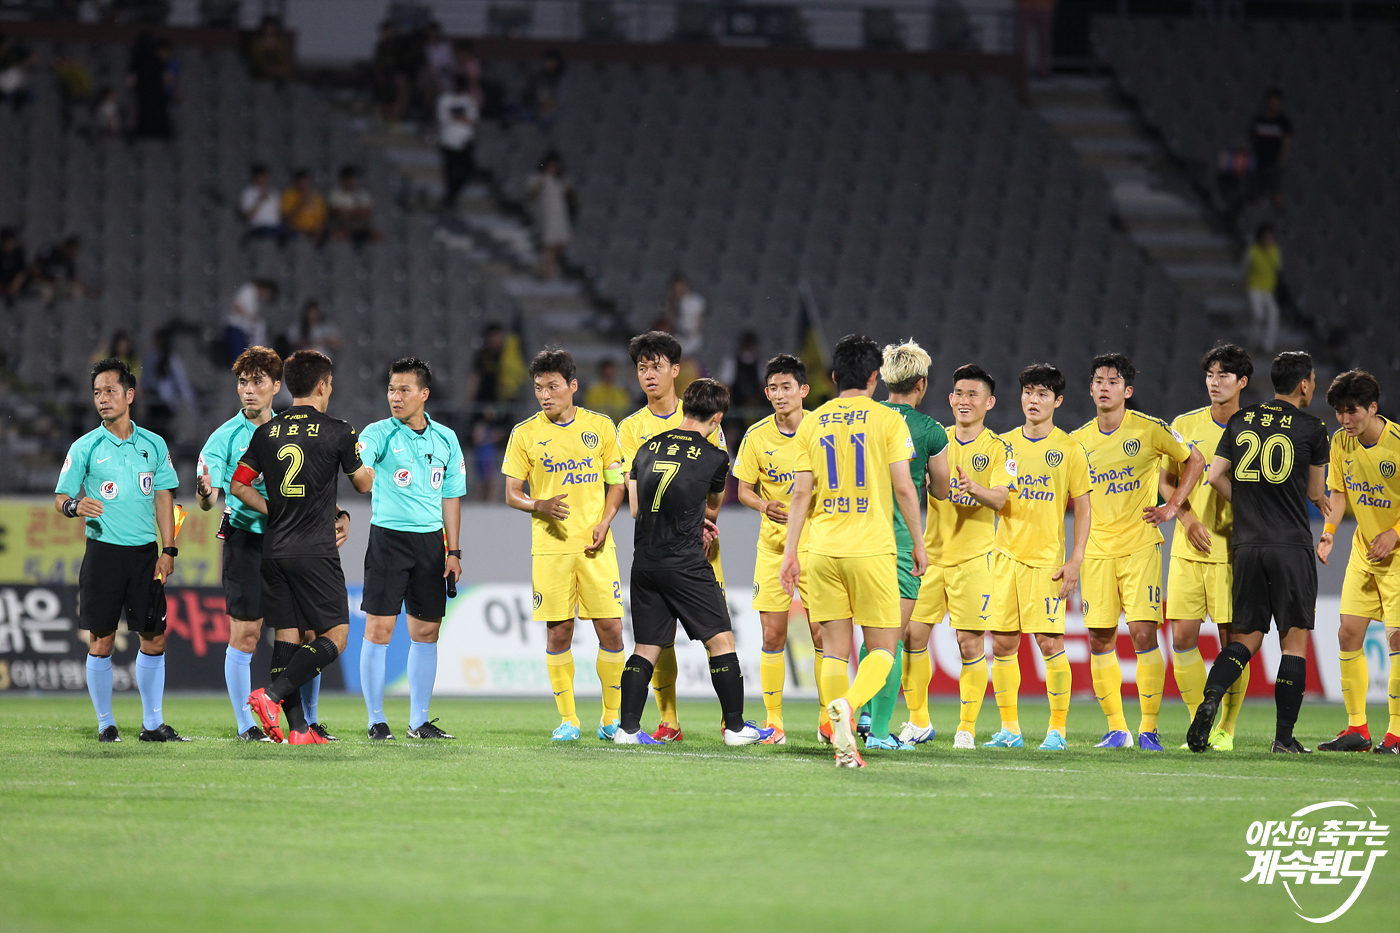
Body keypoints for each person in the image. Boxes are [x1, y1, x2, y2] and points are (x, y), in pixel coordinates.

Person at [778, 334, 925, 768]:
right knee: (882, 648)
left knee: (834, 651)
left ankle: (840, 738)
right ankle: (849, 705)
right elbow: (904, 487)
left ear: (833, 377)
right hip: (872, 549)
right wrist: (918, 542)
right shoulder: (888, 420)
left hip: (823, 550)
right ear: (875, 377)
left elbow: (800, 494)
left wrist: (791, 553)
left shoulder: (813, 422)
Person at [615, 379, 771, 746]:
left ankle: (628, 729)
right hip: (685, 562)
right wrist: (696, 522)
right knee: (722, 640)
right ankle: (735, 728)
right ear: (717, 417)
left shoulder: (647, 447)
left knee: (646, 647)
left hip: (644, 562)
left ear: (685, 407)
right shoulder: (715, 457)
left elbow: (636, 508)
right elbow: (711, 510)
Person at [1188, 352, 1329, 754]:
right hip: (1290, 545)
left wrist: (1248, 506)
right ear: (1304, 384)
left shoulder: (1241, 420)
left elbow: (1215, 475)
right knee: (1293, 643)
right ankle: (1283, 738)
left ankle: (1210, 698)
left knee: (1244, 639)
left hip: (1247, 545)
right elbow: (1315, 492)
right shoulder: (1312, 427)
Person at [198, 347, 336, 742]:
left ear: (277, 386)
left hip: (291, 539)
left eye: (257, 382)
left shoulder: (291, 429)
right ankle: (246, 726)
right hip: (246, 540)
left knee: (307, 635)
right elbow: (209, 500)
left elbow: (310, 487)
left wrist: (336, 515)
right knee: (246, 635)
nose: (248, 389)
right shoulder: (223, 438)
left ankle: (307, 722)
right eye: (243, 382)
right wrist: (205, 493)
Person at [236, 350, 374, 744]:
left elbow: (239, 484)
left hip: (275, 550)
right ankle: (271, 695)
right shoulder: (339, 430)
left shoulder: (266, 432)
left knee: (288, 636)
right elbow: (363, 483)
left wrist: (276, 509)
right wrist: (372, 466)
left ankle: (298, 730)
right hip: (314, 550)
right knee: (337, 636)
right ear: (323, 385)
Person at [598, 331, 727, 741]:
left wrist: (700, 520)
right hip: (659, 544)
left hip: (699, 545)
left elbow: (715, 490)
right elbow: (634, 496)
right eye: (642, 368)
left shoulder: (701, 414)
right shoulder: (630, 428)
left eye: (656, 366)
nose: (649, 375)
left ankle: (729, 718)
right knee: (660, 638)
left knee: (715, 634)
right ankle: (669, 719)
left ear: (675, 370)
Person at [1071, 353, 1203, 751]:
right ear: (1090, 389)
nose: (1104, 387)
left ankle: (1148, 729)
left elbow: (1195, 460)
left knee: (1144, 633)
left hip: (1140, 547)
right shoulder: (1077, 441)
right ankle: (1117, 729)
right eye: (1099, 381)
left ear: (1127, 390)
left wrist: (1173, 506)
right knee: (1099, 639)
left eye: (1113, 382)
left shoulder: (1150, 429)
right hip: (1096, 552)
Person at [55, 358, 183, 743]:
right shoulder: (85, 446)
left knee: (154, 639)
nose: (102, 399)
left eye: (110, 391)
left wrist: (169, 549)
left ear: (129, 395)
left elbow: (165, 499)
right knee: (102, 640)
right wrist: (74, 505)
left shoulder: (154, 444)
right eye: (97, 392)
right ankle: (105, 724)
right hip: (103, 555)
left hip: (146, 556)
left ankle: (152, 725)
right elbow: (61, 497)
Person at [503, 349, 627, 741]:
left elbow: (617, 483)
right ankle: (569, 720)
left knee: (612, 629)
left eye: (553, 386)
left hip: (595, 546)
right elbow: (511, 492)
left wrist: (605, 522)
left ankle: (610, 718)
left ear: (573, 386)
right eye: (539, 387)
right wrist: (537, 504)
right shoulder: (525, 433)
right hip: (551, 548)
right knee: (558, 634)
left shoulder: (600, 426)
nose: (545, 394)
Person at [904, 364, 1014, 750]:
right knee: (911, 637)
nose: (965, 401)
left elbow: (1001, 499)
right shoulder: (937, 439)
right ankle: (919, 722)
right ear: (950, 399)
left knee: (970, 644)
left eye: (973, 394)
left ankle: (966, 728)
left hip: (974, 559)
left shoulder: (998, 448)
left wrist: (973, 488)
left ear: (989, 402)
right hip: (932, 556)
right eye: (959, 394)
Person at [357, 358, 466, 741]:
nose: (395, 397)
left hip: (431, 544)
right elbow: (362, 469)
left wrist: (454, 552)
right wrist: (364, 473)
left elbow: (451, 497)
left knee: (426, 631)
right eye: (391, 389)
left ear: (424, 394)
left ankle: (419, 721)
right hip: (388, 539)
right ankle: (375, 720)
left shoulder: (446, 439)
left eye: (404, 390)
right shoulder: (377, 433)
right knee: (379, 629)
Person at [987, 364, 1091, 751]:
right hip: (1005, 557)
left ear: (1057, 401)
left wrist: (1075, 560)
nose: (1034, 400)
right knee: (1003, 645)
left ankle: (1057, 731)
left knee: (1049, 643)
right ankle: (1009, 730)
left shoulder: (1070, 449)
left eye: (1043, 394)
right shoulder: (1003, 445)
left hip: (1046, 561)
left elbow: (1084, 508)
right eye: (1028, 392)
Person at [1162, 344, 1253, 751]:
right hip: (1188, 549)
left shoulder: (1253, 428)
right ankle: (1198, 724)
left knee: (1232, 642)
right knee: (1182, 638)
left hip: (1233, 552)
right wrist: (1187, 518)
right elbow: (1166, 481)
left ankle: (1226, 730)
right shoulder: (1184, 423)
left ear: (1242, 382)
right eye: (1210, 375)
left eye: (1224, 376)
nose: (1214, 383)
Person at [861, 341, 948, 751]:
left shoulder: (863, 417)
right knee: (890, 639)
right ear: (922, 383)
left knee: (867, 635)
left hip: (856, 537)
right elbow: (942, 490)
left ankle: (862, 713)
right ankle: (879, 731)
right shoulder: (930, 430)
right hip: (897, 541)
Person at [1316, 370, 1400, 755]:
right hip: (1364, 552)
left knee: (1396, 639)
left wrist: (1394, 533)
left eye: (1352, 411)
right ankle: (1357, 729)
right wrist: (1329, 531)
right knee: (1347, 634)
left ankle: (1395, 735)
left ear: (1373, 408)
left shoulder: (1396, 444)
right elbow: (1338, 492)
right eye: (1339, 411)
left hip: (1397, 555)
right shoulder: (1340, 442)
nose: (1344, 419)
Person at [733, 354, 814, 745]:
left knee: (821, 634)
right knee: (772, 635)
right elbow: (743, 490)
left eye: (787, 387)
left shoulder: (820, 430)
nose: (780, 395)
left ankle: (829, 721)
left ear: (803, 390)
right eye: (773, 389)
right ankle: (775, 723)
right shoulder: (756, 436)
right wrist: (764, 505)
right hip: (772, 547)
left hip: (816, 545)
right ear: (766, 393)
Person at [142, 327, 196, 441]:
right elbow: (146, 377)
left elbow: (181, 380)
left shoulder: (171, 358)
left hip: (166, 400)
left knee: (163, 430)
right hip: (153, 399)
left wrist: (189, 400)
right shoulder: (151, 357)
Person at [526, 150, 572, 280]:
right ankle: (546, 273)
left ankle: (552, 268)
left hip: (560, 216)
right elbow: (530, 195)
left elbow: (571, 196)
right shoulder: (537, 178)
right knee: (548, 245)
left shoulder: (560, 181)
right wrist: (541, 183)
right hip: (546, 216)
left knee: (560, 243)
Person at [437, 74, 478, 211]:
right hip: (448, 141)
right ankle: (449, 200)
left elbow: (471, 119)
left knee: (467, 171)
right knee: (450, 173)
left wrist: (456, 116)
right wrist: (460, 117)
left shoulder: (469, 100)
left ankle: (451, 196)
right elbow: (444, 119)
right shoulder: (445, 99)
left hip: (465, 141)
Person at [1250, 88, 1292, 210]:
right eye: (1271, 101)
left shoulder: (1282, 122)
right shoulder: (1259, 120)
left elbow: (1286, 142)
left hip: (1274, 162)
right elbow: (1252, 138)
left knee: (1276, 193)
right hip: (1259, 161)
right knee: (1257, 193)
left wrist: (1281, 159)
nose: (1273, 104)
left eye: (1276, 102)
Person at [1245, 223, 1282, 354]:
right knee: (1258, 315)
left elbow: (1278, 269)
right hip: (1254, 287)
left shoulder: (1275, 251)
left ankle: (1267, 345)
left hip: (1268, 289)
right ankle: (1254, 340)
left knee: (1273, 314)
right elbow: (1245, 268)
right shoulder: (1253, 251)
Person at [127, 32, 171, 139]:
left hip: (144, 99)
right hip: (157, 99)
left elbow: (130, 82)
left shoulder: (136, 61)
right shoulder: (158, 62)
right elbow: (167, 80)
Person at [327, 166, 380, 247]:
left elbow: (367, 212)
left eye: (352, 179)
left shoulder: (362, 194)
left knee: (377, 236)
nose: (350, 182)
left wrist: (348, 211)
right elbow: (338, 213)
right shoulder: (336, 194)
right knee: (337, 236)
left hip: (361, 227)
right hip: (342, 226)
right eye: (347, 179)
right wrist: (357, 211)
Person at [29, 236, 89, 306]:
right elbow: (35, 271)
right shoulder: (50, 251)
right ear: (67, 246)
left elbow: (72, 278)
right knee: (47, 292)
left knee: (77, 293)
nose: (73, 253)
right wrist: (49, 281)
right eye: (72, 250)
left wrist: (86, 289)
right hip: (40, 282)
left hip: (56, 285)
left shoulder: (69, 260)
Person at [226, 280, 273, 364]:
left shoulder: (255, 297)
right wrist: (248, 315)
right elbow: (236, 306)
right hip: (237, 327)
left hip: (246, 330)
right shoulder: (248, 290)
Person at [240, 164, 288, 243]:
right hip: (259, 227)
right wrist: (260, 201)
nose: (264, 179)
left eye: (265, 176)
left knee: (292, 235)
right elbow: (247, 216)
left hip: (276, 227)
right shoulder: (248, 193)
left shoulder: (274, 192)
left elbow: (281, 213)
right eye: (261, 176)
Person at [280, 170, 327, 244]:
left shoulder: (316, 197)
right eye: (302, 182)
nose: (305, 185)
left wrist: (318, 233)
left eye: (307, 182)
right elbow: (287, 218)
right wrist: (301, 204)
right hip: (295, 230)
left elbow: (322, 219)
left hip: (314, 231)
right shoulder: (289, 195)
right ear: (297, 182)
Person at [248, 15, 295, 85]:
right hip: (261, 73)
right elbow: (256, 59)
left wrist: (278, 69)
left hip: (280, 73)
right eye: (268, 27)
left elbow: (286, 59)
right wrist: (267, 68)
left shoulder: (282, 42)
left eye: (272, 27)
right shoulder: (257, 42)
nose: (270, 30)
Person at [582, 359, 631, 424]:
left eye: (611, 373)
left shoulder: (620, 391)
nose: (609, 376)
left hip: (617, 424)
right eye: (606, 373)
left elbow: (624, 408)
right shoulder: (593, 390)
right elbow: (590, 408)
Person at [0, 227, 26, 307]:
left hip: (14, 285)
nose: (12, 244)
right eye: (9, 242)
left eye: (13, 241)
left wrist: (13, 287)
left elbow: (22, 272)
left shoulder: (18, 253)